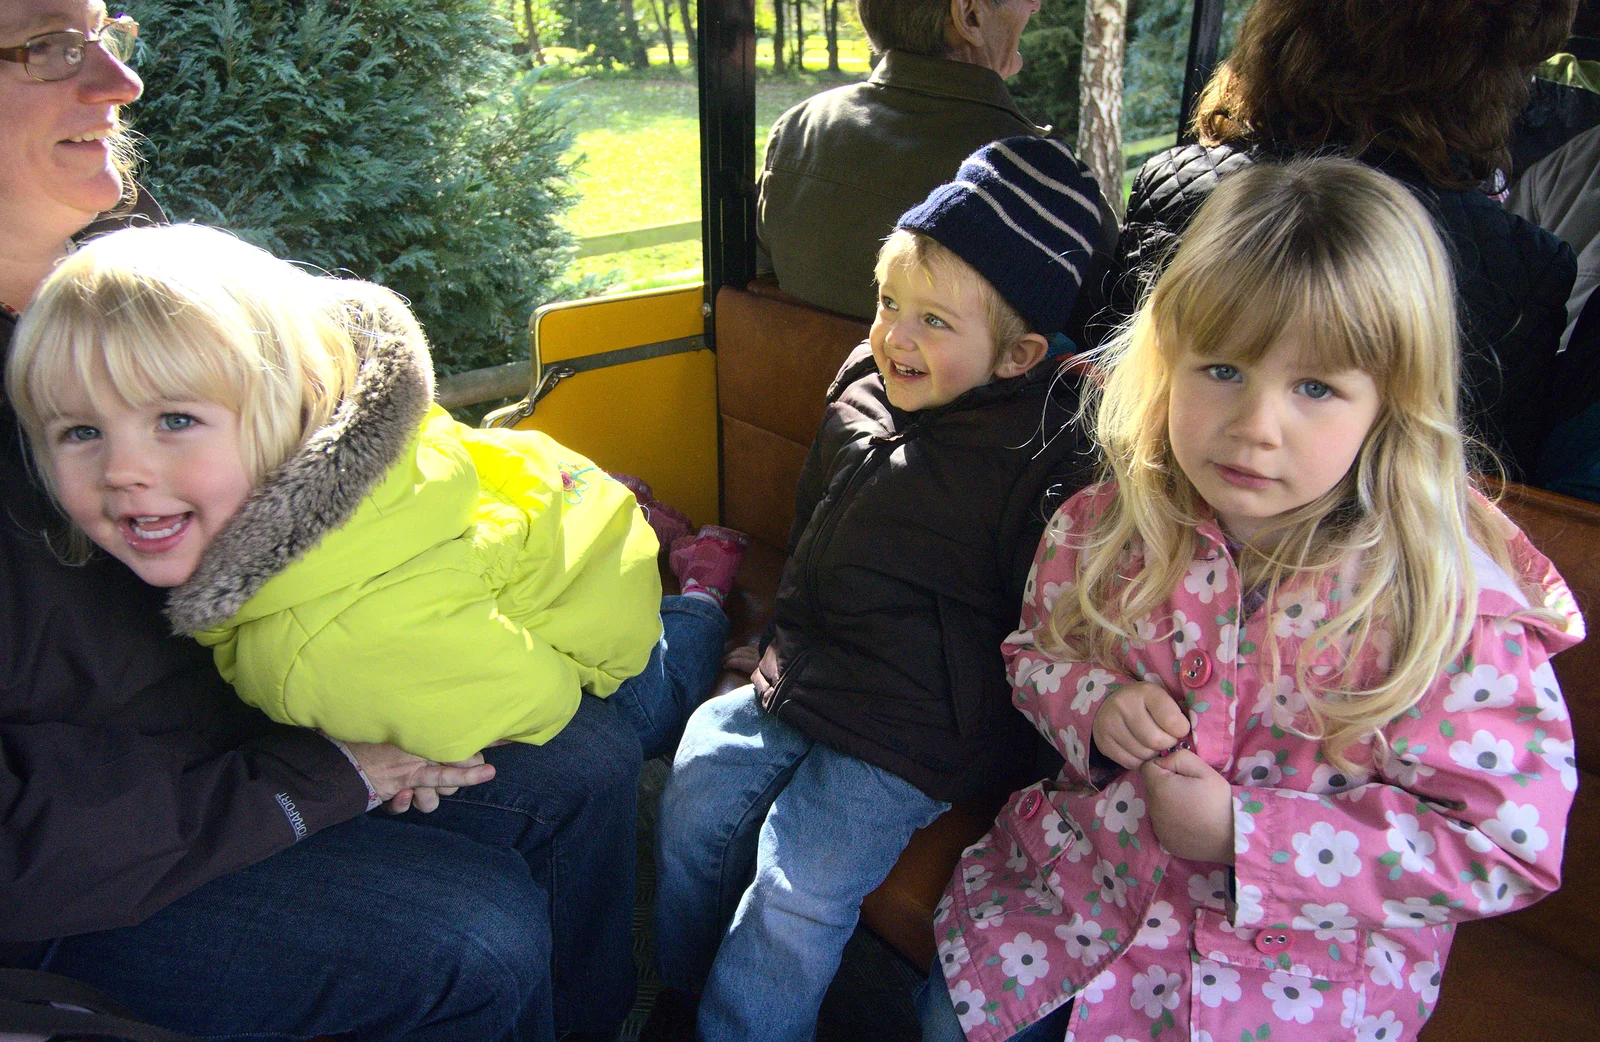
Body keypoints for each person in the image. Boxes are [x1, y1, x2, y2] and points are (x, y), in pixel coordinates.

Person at [0, 4, 681, 1039]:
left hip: (242, 706)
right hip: (90, 856)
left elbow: (331, 392)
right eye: (49, 44)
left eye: (108, 31)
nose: (118, 83)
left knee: (580, 763)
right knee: (471, 943)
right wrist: (314, 779)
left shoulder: (127, 271)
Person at [921, 158, 1582, 1042]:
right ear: (1168, 359)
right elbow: (1035, 654)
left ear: (1390, 404)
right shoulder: (1109, 522)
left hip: (1288, 988)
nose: (1255, 426)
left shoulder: (1449, 601)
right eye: (1223, 369)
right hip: (1072, 908)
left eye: (1315, 387)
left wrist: (1247, 833)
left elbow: (1505, 845)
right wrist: (1096, 705)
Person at [652, 136, 1104, 1042]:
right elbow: (819, 523)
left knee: (799, 883)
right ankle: (678, 994)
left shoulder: (1048, 451)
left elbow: (1050, 618)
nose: (896, 334)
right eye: (890, 302)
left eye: (936, 322)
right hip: (814, 665)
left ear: (1017, 356)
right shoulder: (863, 383)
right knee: (698, 774)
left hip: (919, 723)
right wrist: (771, 639)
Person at [9, 222, 743, 767]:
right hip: (560, 503)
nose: (120, 470)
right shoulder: (345, 444)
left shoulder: (324, 652)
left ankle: (702, 586)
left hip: (600, 601)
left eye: (174, 420)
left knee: (661, 704)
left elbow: (546, 701)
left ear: (282, 412)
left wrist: (425, 736)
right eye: (79, 432)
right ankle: (642, 517)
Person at [1109, 0, 1582, 480]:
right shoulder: (1523, 264)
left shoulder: (1172, 186)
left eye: (1315, 387)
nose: (1257, 428)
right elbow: (1493, 473)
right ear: (1493, 77)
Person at [757, 0, 1104, 323]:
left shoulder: (799, 128)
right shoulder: (1041, 177)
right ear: (969, 16)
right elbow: (1104, 326)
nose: (1035, 5)